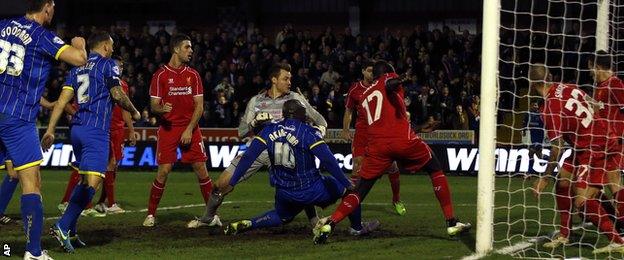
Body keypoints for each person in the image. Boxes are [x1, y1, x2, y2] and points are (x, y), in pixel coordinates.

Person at [313, 60, 471, 244]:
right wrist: (403, 77)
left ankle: (330, 223)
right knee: (435, 168)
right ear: (387, 73)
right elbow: (389, 84)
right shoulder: (388, 79)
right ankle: (451, 221)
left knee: (360, 190)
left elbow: (387, 121)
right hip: (401, 141)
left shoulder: (364, 96)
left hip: (378, 147)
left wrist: (419, 127)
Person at [188, 63, 334, 231]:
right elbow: (241, 132)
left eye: (290, 79)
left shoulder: (296, 99)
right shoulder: (256, 101)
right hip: (259, 148)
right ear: (274, 79)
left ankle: (314, 222)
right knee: (220, 184)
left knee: (297, 184)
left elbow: (320, 120)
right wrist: (254, 122)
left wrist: (319, 131)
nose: (289, 82)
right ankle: (208, 218)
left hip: (284, 151)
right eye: (285, 79)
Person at [0, 0, 88, 258]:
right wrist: (79, 43)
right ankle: (34, 252)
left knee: (12, 173)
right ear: (46, 6)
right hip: (17, 118)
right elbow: (79, 59)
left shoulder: (3, 26)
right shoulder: (41, 35)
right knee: (31, 181)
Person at [42, 31, 140, 253]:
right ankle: (62, 226)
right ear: (105, 46)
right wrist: (133, 111)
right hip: (96, 131)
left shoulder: (76, 68)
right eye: (112, 46)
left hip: (76, 130)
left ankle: (73, 231)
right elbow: (116, 93)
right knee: (93, 184)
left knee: (85, 181)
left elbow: (61, 102)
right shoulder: (108, 65)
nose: (113, 50)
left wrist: (50, 129)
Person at [223, 100, 365, 236]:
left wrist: (232, 182)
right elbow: (328, 161)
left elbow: (248, 157)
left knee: (281, 216)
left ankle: (251, 223)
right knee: (351, 192)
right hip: (311, 189)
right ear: (301, 114)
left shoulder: (268, 130)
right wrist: (346, 183)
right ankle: (354, 228)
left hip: (285, 192)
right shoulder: (308, 132)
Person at [530, 64, 624, 254]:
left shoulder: (550, 109)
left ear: (533, 84)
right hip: (590, 141)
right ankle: (565, 234)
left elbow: (557, 149)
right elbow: (595, 105)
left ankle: (617, 240)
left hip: (593, 148)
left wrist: (544, 179)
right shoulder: (568, 87)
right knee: (564, 181)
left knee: (582, 202)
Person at [143, 34, 213, 227]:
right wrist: (160, 109)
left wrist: (189, 129)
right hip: (168, 129)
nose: (191, 51)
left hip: (190, 128)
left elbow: (199, 106)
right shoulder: (160, 75)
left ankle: (211, 216)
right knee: (164, 170)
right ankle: (150, 214)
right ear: (175, 49)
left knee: (201, 169)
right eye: (187, 47)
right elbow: (154, 105)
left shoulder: (194, 75)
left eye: (191, 48)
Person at [342, 61, 404, 216]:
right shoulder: (355, 89)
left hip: (380, 132)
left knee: (393, 167)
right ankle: (352, 207)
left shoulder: (383, 85)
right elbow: (349, 110)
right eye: (369, 71)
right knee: (357, 167)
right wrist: (345, 130)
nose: (372, 74)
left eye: (373, 71)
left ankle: (396, 199)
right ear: (363, 71)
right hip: (362, 134)